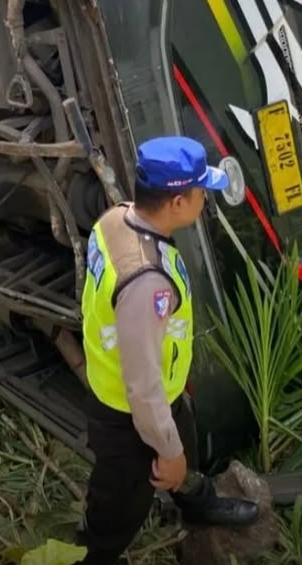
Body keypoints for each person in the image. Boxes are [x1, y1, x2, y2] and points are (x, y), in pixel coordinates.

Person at [75, 136, 259, 565]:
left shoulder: (116, 220)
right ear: (177, 202)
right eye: (201, 194)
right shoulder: (146, 284)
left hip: (160, 398)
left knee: (186, 454)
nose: (205, 201)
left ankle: (197, 503)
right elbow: (143, 388)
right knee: (118, 506)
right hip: (128, 413)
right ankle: (89, 555)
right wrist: (168, 454)